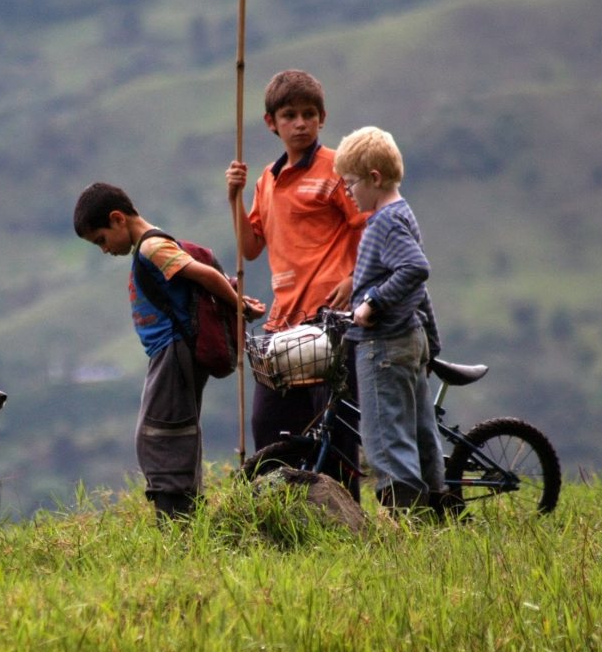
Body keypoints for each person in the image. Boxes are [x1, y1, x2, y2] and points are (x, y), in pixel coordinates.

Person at [73, 182, 266, 524]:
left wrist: (237, 306)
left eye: (101, 239)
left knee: (161, 433)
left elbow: (204, 274)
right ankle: (185, 510)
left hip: (174, 351)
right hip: (169, 353)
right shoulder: (151, 247)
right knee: (172, 427)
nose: (103, 249)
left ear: (118, 219)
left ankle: (178, 520)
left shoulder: (151, 248)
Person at [225, 69, 368, 500]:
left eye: (309, 114)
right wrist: (234, 197)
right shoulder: (268, 180)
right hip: (283, 324)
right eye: (290, 115)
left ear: (322, 118)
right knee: (271, 428)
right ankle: (282, 514)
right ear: (272, 123)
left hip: (330, 321)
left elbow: (368, 224)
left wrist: (353, 277)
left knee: (336, 430)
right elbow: (251, 248)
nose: (300, 123)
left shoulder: (339, 168)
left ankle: (347, 519)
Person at [334, 126, 445, 513]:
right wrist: (430, 338)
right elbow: (418, 290)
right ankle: (436, 509)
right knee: (420, 432)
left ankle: (407, 523)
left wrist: (370, 305)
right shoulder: (403, 213)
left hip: (383, 345)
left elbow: (415, 269)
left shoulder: (383, 223)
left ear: (374, 179)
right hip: (409, 337)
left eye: (350, 184)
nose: (347, 192)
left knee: (385, 436)